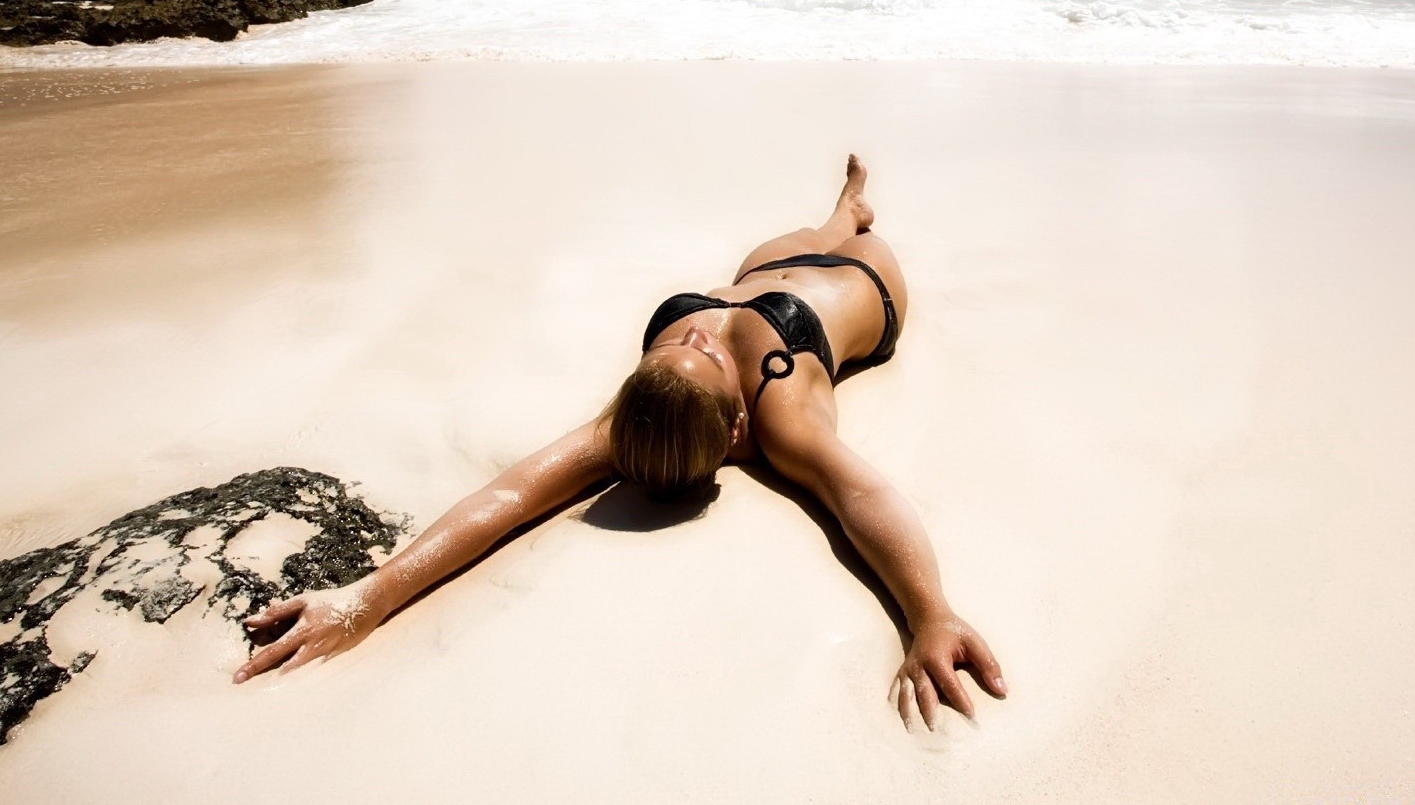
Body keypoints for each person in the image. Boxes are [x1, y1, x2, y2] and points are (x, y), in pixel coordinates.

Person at [233, 156, 1005, 729]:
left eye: (682, 345)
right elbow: (861, 494)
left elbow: (508, 493)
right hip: (865, 281)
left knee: (815, 230)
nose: (698, 330)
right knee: (839, 242)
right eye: (695, 351)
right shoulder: (775, 415)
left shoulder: (646, 413)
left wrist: (364, 598)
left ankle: (846, 207)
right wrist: (931, 613)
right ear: (736, 431)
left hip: (767, 269)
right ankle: (853, 223)